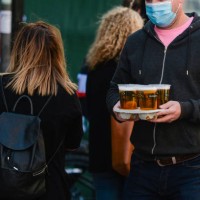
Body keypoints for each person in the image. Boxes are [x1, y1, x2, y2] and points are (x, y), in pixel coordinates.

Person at [106, 0, 200, 199]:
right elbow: (114, 88)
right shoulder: (135, 41)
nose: (154, 5)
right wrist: (117, 107)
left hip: (192, 168)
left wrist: (185, 109)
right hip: (142, 167)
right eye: (149, 0)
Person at [0, 21, 83, 200]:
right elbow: (73, 143)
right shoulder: (67, 94)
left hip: (5, 185)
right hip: (49, 187)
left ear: (19, 50)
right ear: (56, 53)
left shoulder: (2, 86)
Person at [85, 6, 143, 200]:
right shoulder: (135, 69)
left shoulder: (94, 68)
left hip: (100, 153)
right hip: (133, 154)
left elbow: (90, 109)